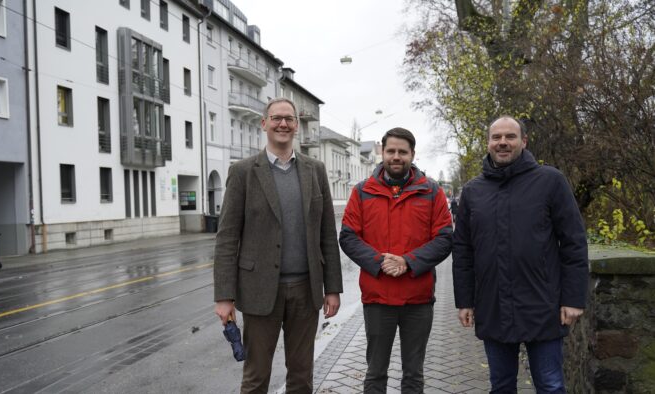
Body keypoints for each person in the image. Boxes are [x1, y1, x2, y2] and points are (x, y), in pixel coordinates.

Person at [213, 97, 343, 394]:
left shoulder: (315, 170)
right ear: (264, 124)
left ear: (297, 125)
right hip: (259, 292)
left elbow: (326, 234)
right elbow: (227, 238)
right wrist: (224, 296)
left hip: (305, 291)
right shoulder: (244, 172)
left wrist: (332, 288)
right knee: (256, 377)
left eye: (289, 118)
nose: (282, 123)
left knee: (301, 377)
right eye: (276, 118)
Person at [452, 116, 588, 393]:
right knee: (501, 385)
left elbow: (574, 243)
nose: (503, 142)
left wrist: (573, 298)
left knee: (550, 385)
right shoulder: (473, 191)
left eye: (510, 137)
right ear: (488, 143)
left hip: (543, 305)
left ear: (523, 142)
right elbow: (463, 250)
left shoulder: (551, 181)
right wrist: (464, 301)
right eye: (496, 137)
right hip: (493, 306)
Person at [339, 127, 453, 393]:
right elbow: (348, 237)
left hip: (418, 300)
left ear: (413, 154)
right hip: (378, 299)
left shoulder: (431, 192)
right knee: (375, 374)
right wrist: (380, 261)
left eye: (403, 152)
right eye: (391, 151)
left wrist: (408, 262)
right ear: (382, 152)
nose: (396, 156)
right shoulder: (363, 191)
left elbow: (445, 238)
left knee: (414, 375)